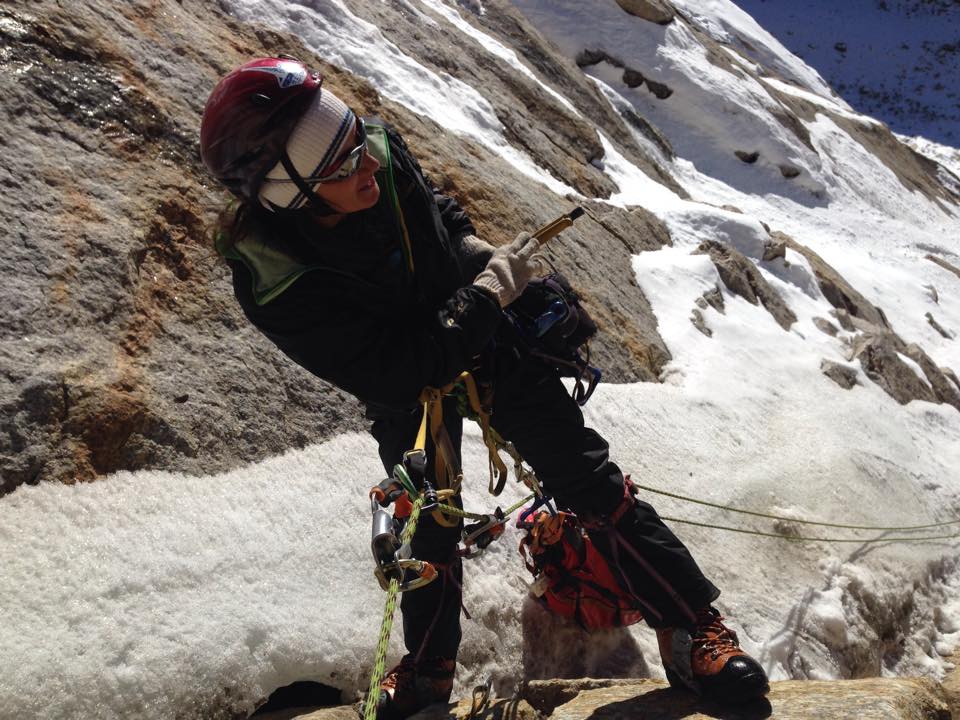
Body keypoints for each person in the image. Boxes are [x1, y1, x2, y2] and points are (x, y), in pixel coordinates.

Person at [200, 57, 769, 718]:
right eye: (341, 165)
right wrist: (489, 291)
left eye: (356, 141)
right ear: (283, 190)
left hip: (483, 331)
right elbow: (403, 370)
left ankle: (692, 628)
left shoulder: (374, 153)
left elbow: (435, 213)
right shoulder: (274, 280)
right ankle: (430, 671)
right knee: (430, 521)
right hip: (416, 372)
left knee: (587, 480)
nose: (369, 167)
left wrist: (474, 253)